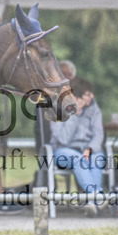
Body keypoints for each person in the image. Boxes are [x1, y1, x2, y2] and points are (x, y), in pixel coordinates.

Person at [48, 78, 105, 215]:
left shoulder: (94, 109)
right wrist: (74, 114)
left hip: (87, 149)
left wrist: (89, 148)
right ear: (77, 96)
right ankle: (97, 196)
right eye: (87, 94)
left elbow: (98, 135)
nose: (92, 97)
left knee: (97, 157)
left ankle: (91, 202)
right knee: (78, 159)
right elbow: (63, 139)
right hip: (63, 152)